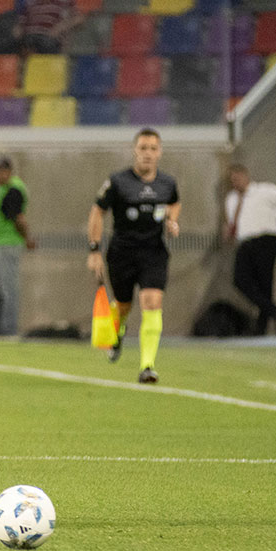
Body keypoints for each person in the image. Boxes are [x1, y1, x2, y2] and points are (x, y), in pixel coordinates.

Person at [87, 128, 180, 384]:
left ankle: (147, 365)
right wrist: (94, 250)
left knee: (151, 301)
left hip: (153, 252)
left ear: (160, 152)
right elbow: (97, 212)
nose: (148, 154)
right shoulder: (118, 182)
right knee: (124, 304)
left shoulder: (167, 183)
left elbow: (174, 202)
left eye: (153, 148)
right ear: (134, 151)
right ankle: (117, 331)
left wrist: (172, 221)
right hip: (122, 252)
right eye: (143, 148)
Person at [223, 164, 276, 335]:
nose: (235, 182)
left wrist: (273, 216)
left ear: (245, 175)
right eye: (232, 180)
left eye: (237, 178)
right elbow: (233, 221)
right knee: (240, 280)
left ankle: (262, 326)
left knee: (265, 283)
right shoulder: (231, 199)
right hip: (245, 242)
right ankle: (274, 311)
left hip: (265, 240)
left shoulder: (263, 191)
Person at [0, 156, 36, 337]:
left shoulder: (13, 190)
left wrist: (28, 238)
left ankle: (7, 329)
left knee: (7, 289)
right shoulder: (5, 189)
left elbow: (19, 219)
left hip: (8, 245)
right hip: (0, 244)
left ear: (8, 171)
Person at [16, 0, 84, 54]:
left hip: (49, 38)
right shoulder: (31, 3)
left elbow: (79, 19)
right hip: (29, 38)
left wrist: (62, 27)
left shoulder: (64, 2)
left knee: (45, 44)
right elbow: (21, 23)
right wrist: (19, 30)